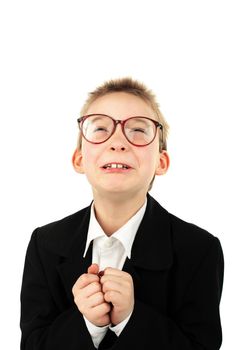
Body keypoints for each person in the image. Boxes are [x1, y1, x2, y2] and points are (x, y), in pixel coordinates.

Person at [20, 77, 224, 349]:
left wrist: (131, 318)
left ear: (161, 162)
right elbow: (33, 344)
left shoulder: (199, 249)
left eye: (138, 130)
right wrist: (88, 324)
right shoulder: (44, 243)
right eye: (100, 128)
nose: (117, 142)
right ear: (79, 159)